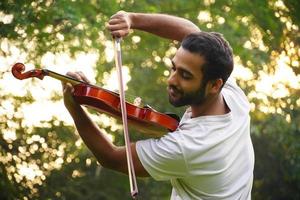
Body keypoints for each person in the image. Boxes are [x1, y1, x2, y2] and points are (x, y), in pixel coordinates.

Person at [62, 11, 254, 200]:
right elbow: (190, 31)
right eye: (173, 67)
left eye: (185, 76)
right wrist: (132, 19)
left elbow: (110, 157)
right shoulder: (233, 97)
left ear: (214, 85)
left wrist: (73, 108)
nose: (172, 80)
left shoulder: (188, 147)